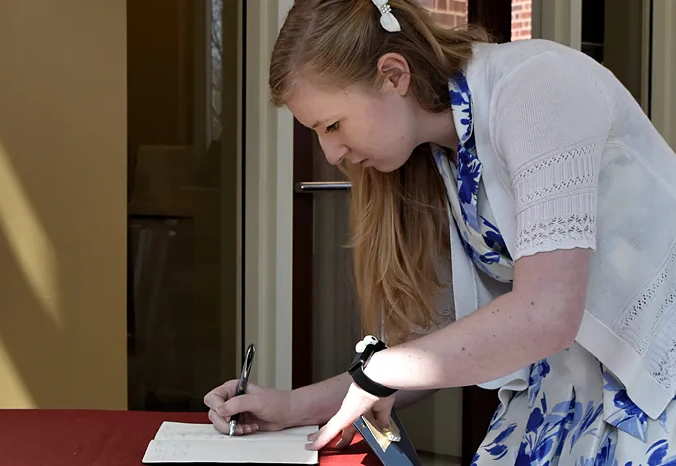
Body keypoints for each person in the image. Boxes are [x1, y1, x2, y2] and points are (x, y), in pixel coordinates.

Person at [204, 0, 676, 463]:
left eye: (333, 125)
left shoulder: (537, 87)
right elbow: (443, 345)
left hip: (654, 393)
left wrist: (383, 369)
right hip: (566, 395)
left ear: (394, 75)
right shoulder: (440, 155)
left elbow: (547, 313)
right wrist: (291, 407)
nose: (330, 153)